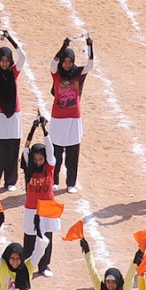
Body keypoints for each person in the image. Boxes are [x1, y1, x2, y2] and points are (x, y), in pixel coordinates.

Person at [0, 23, 27, 193]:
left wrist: (11, 39)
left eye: (7, 60)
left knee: (12, 148)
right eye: (2, 60)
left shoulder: (14, 72)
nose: (4, 63)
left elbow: (22, 56)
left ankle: (10, 180)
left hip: (14, 115)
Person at [48, 35, 93, 192]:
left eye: (70, 62)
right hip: (58, 118)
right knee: (57, 152)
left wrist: (89, 46)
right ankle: (54, 180)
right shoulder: (56, 73)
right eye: (65, 61)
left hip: (74, 118)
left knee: (73, 153)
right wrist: (62, 47)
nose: (67, 64)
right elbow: (53, 64)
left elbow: (90, 64)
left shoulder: (78, 73)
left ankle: (71, 183)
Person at [19, 118, 59, 277]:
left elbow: (50, 149)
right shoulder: (29, 167)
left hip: (47, 206)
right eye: (35, 159)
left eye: (40, 159)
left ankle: (44, 266)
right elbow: (25, 149)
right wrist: (32, 128)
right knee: (30, 237)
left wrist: (44, 130)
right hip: (31, 207)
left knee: (47, 236)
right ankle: (27, 265)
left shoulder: (50, 166)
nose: (38, 161)